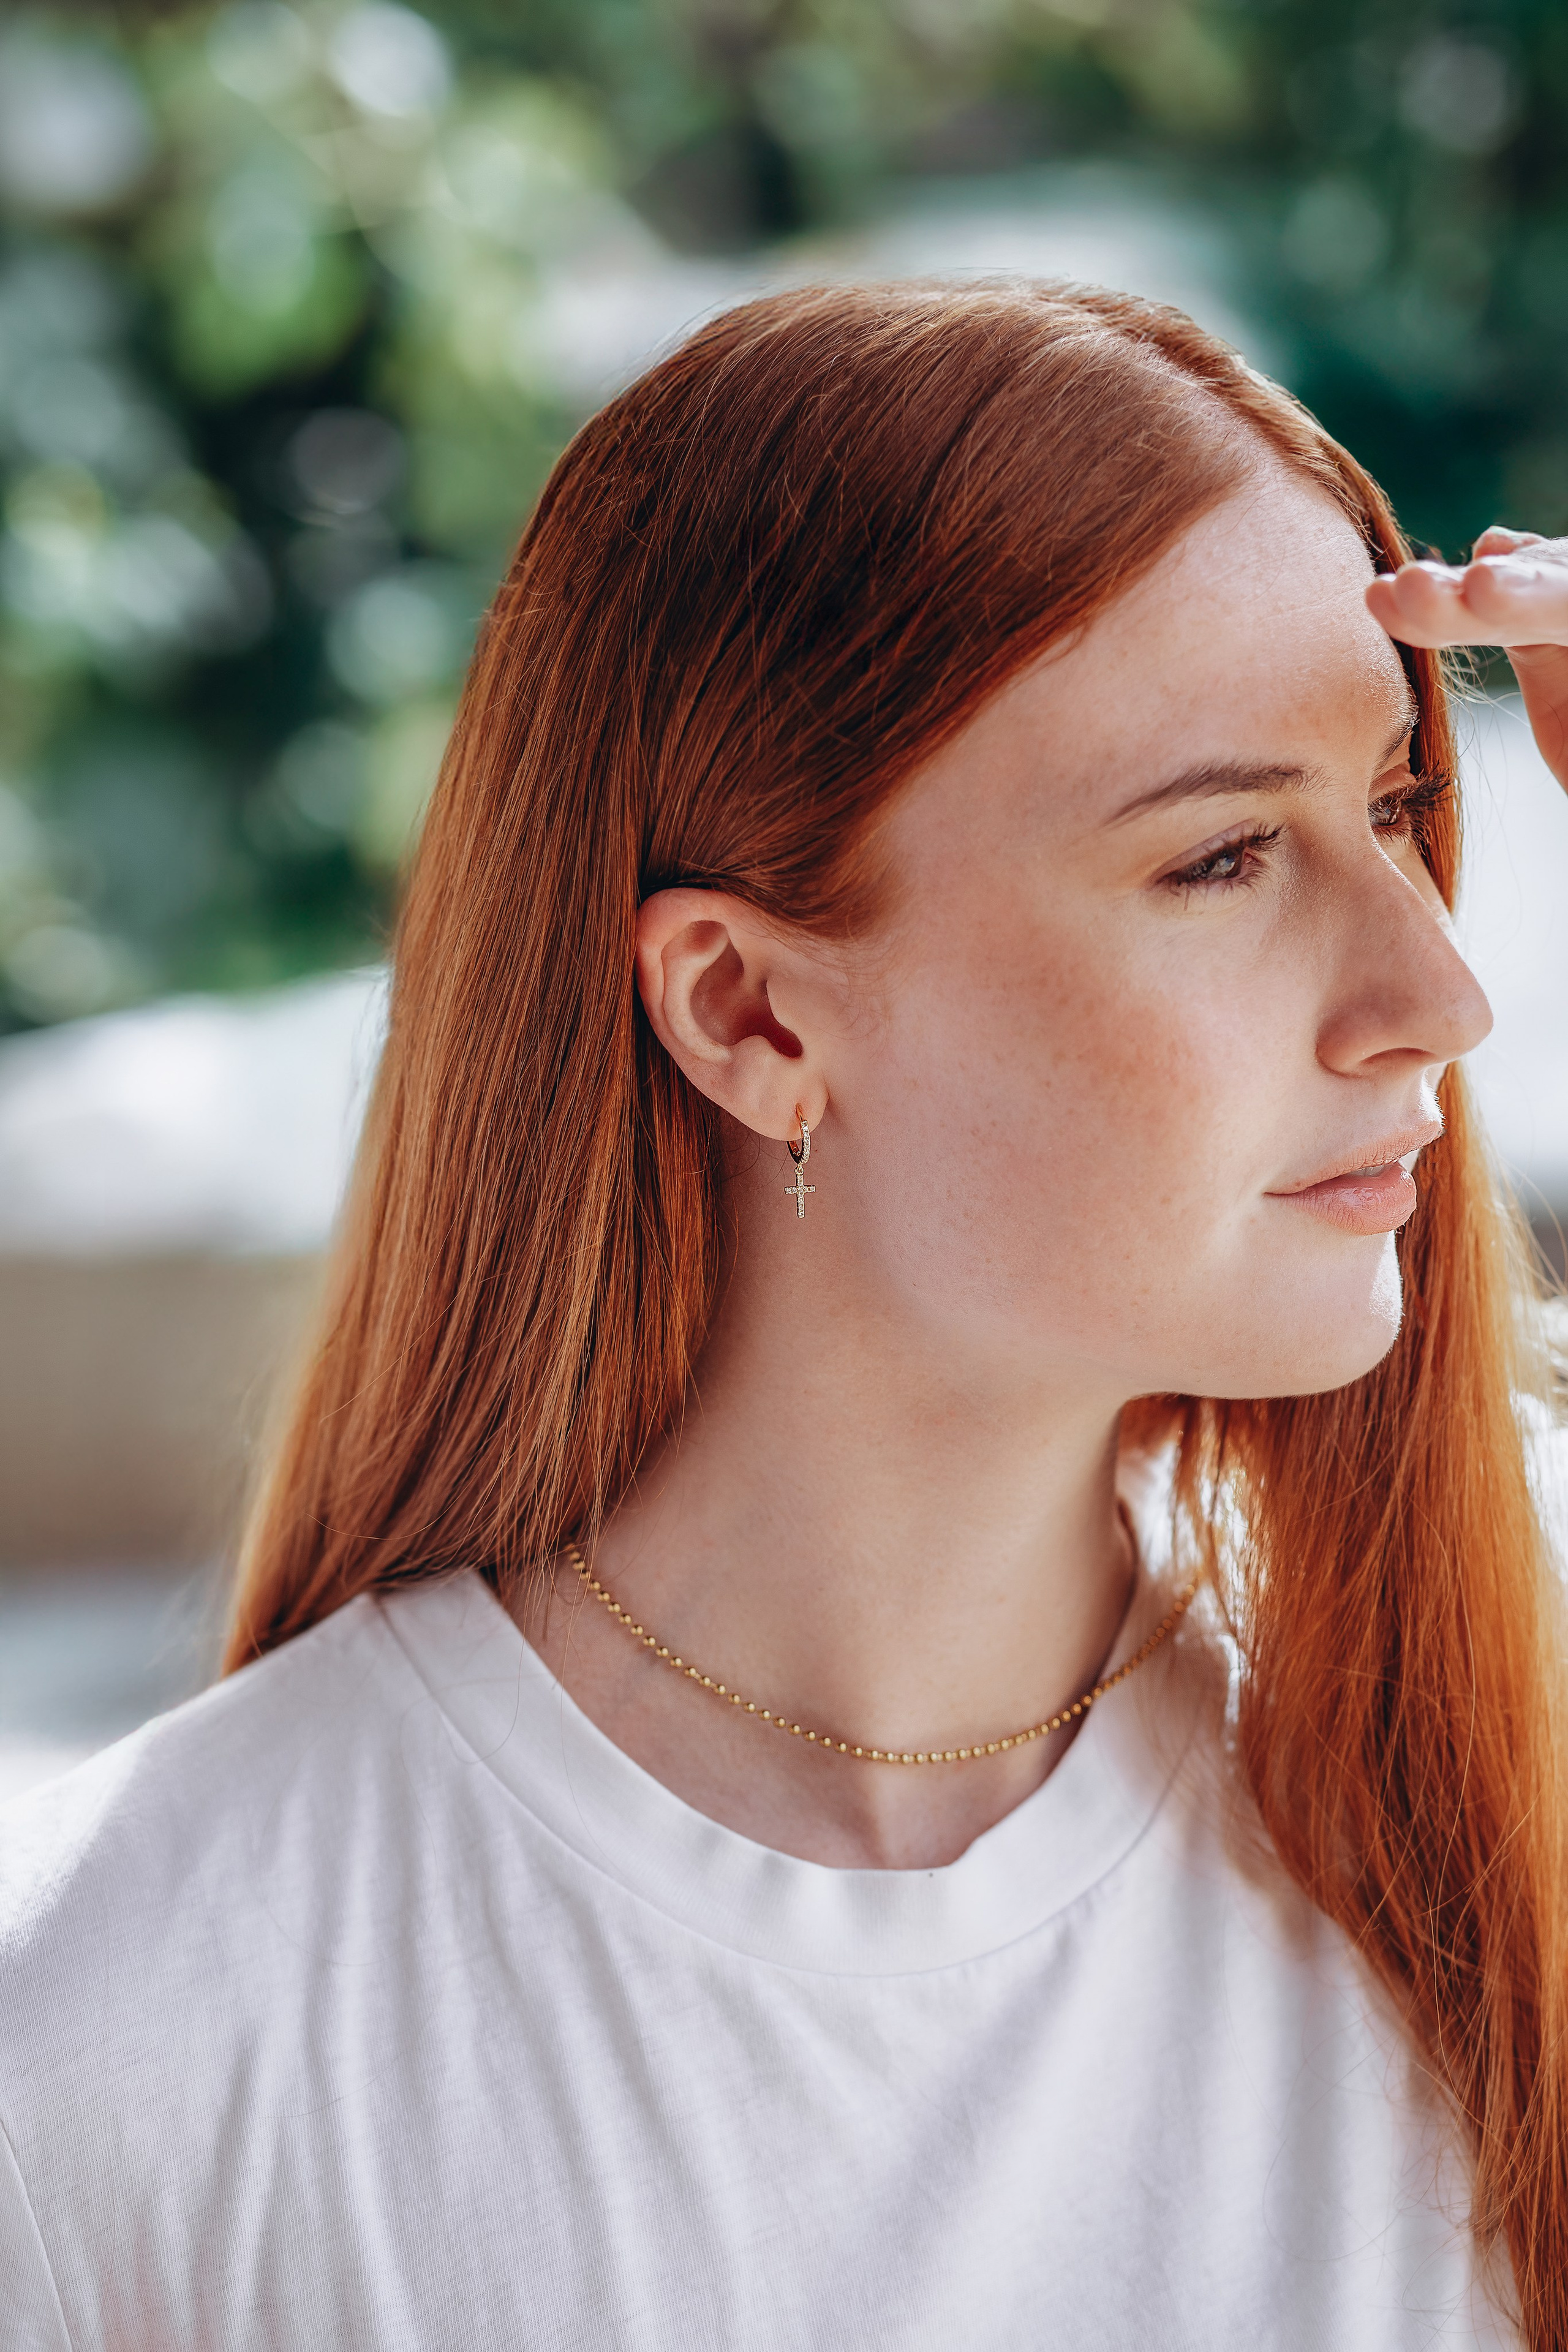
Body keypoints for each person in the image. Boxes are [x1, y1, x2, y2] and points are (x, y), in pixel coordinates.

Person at [2, 281, 1566, 2351]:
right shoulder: (121, 2039)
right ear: (746, 1012)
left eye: (1387, 812)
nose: (1440, 997)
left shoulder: (1504, 1740)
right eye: (1220, 858)